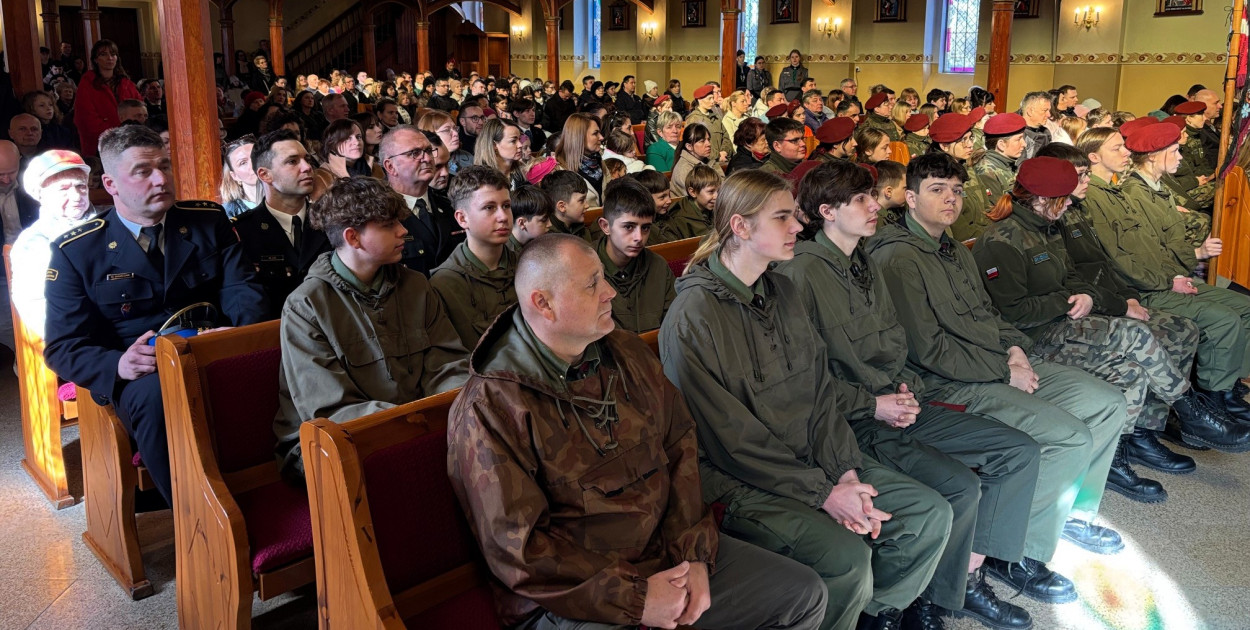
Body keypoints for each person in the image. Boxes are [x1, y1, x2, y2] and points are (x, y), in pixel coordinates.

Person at [448, 233, 828, 630]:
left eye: (603, 277)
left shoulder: (624, 352)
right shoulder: (491, 406)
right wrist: (635, 597)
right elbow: (520, 550)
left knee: (802, 595)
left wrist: (694, 555)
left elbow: (680, 446)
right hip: (572, 596)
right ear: (543, 303)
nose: (610, 291)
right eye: (593, 283)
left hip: (665, 552)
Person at [660, 169, 951, 630]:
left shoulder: (783, 288)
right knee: (846, 559)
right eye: (783, 218)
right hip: (743, 478)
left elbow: (819, 393)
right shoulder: (694, 317)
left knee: (926, 515)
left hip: (817, 458)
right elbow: (731, 441)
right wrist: (824, 493)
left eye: (795, 216)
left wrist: (845, 471)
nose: (798, 227)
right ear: (740, 227)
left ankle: (872, 616)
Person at [777, 160, 1038, 630]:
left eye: (874, 195)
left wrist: (903, 390)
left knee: (1015, 450)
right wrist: (873, 404)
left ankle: (953, 585)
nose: (877, 205)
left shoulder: (863, 261)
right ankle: (910, 604)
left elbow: (896, 342)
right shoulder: (802, 275)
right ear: (828, 212)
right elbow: (805, 379)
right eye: (863, 199)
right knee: (957, 486)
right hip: (849, 420)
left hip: (896, 404)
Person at [867, 152, 1127, 606]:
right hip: (951, 381)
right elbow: (926, 349)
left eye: (956, 190)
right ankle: (1018, 553)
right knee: (1066, 435)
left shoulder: (950, 246)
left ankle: (1064, 513)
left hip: (995, 359)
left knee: (1105, 401)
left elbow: (989, 314)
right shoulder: (898, 259)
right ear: (909, 199)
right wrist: (1002, 370)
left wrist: (1014, 350)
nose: (951, 199)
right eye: (936, 190)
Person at [43, 125, 268, 505]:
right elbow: (63, 347)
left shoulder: (207, 220)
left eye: (164, 166)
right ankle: (201, 525)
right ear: (111, 184)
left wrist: (235, 335)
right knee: (159, 399)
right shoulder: (78, 250)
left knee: (277, 366)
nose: (161, 179)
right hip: (143, 371)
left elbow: (243, 289)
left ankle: (286, 496)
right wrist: (120, 364)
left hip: (214, 345)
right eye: (143, 171)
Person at [972, 156, 1217, 502]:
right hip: (1034, 339)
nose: (1071, 203)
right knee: (1135, 335)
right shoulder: (1002, 241)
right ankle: (1192, 410)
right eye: (1064, 197)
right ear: (1041, 200)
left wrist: (1086, 294)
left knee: (1131, 370)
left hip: (1065, 324)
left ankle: (1115, 460)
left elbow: (1070, 276)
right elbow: (1012, 313)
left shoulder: (1046, 227)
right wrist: (1066, 300)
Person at [1036, 141, 1229, 471]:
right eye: (1078, 176)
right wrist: (1120, 305)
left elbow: (1103, 265)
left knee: (1182, 330)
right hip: (1072, 315)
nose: (1085, 181)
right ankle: (1178, 415)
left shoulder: (1076, 212)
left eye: (1084, 175)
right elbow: (1069, 284)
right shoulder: (1055, 221)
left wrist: (1127, 297)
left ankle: (1146, 428)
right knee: (1140, 338)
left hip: (1101, 300)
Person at [273, 176, 468, 479]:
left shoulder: (415, 285)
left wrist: (444, 413)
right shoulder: (306, 306)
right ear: (353, 238)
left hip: (415, 425)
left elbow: (447, 364)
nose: (404, 231)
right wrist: (411, 427)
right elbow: (330, 409)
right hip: (332, 443)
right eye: (389, 225)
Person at [1080, 124, 1250, 438]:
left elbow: (1153, 246)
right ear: (1093, 157)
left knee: (1242, 308)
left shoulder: (1117, 193)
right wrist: (1168, 279)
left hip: (1161, 279)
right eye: (1117, 148)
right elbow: (1119, 260)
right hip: (1145, 289)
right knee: (1223, 320)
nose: (1126, 152)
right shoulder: (1101, 197)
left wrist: (1174, 273)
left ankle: (1222, 392)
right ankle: (1211, 401)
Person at [231, 130, 330, 319]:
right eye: (292, 161)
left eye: (306, 159)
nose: (307, 167)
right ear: (265, 175)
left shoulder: (331, 221)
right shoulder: (242, 231)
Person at [430, 166, 518, 349]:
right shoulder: (445, 283)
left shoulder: (526, 265)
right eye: (489, 207)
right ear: (462, 219)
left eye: (506, 206)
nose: (503, 217)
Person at [10, 150, 95, 339]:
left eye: (81, 186)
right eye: (63, 189)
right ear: (40, 194)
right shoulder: (33, 243)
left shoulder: (109, 225)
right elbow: (42, 315)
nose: (76, 196)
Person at [380, 125, 463, 275]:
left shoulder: (449, 205)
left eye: (428, 151)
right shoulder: (379, 215)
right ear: (390, 166)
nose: (427, 158)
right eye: (415, 153)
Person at [927, 113, 990, 241]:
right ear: (944, 146)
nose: (970, 144)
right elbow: (961, 232)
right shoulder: (937, 178)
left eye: (970, 138)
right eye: (963, 140)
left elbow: (987, 209)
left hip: (984, 235)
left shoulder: (966, 168)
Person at [74, 39, 141, 158]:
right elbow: (85, 119)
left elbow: (140, 109)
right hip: (101, 144)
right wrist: (117, 133)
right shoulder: (87, 83)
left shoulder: (126, 83)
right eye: (103, 54)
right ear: (95, 59)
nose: (110, 58)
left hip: (130, 140)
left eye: (113, 54)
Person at [974, 113, 1027, 204]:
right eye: (1018, 139)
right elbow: (997, 210)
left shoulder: (1008, 164)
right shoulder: (986, 172)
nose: (1024, 144)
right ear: (1001, 145)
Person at [554, 113, 605, 207]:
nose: (601, 137)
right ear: (579, 137)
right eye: (595, 133)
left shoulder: (599, 162)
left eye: (600, 133)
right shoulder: (559, 171)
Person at [670, 123, 724, 199]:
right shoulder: (684, 169)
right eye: (702, 141)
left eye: (708, 139)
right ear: (689, 146)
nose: (708, 144)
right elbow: (699, 198)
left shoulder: (711, 162)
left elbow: (724, 186)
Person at [541, 169, 594, 242]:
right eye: (581, 200)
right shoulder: (548, 240)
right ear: (562, 206)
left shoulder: (580, 229)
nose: (587, 205)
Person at [685, 86, 733, 167]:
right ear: (700, 100)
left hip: (723, 161)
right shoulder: (694, 119)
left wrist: (724, 152)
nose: (712, 101)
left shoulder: (716, 117)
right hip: (706, 164)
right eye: (709, 99)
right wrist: (718, 156)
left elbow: (726, 137)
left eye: (712, 98)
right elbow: (696, 144)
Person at [219, 134, 263, 218]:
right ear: (235, 176)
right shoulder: (228, 213)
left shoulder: (288, 200)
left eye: (255, 156)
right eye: (243, 163)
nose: (253, 164)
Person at [507, 184, 552, 253]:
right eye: (543, 220)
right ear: (522, 223)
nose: (550, 224)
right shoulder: (506, 252)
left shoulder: (532, 242)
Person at [1018, 92, 1053, 161]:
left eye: (1049, 110)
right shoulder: (1018, 134)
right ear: (1030, 111)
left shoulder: (1046, 132)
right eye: (1045, 110)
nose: (1049, 115)